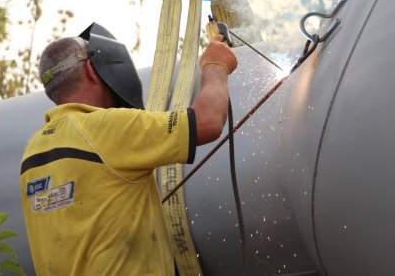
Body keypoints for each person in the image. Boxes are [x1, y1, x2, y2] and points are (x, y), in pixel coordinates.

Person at [19, 22, 238, 275]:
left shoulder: (32, 150)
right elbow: (208, 120)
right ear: (91, 69)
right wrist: (216, 64)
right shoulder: (107, 127)